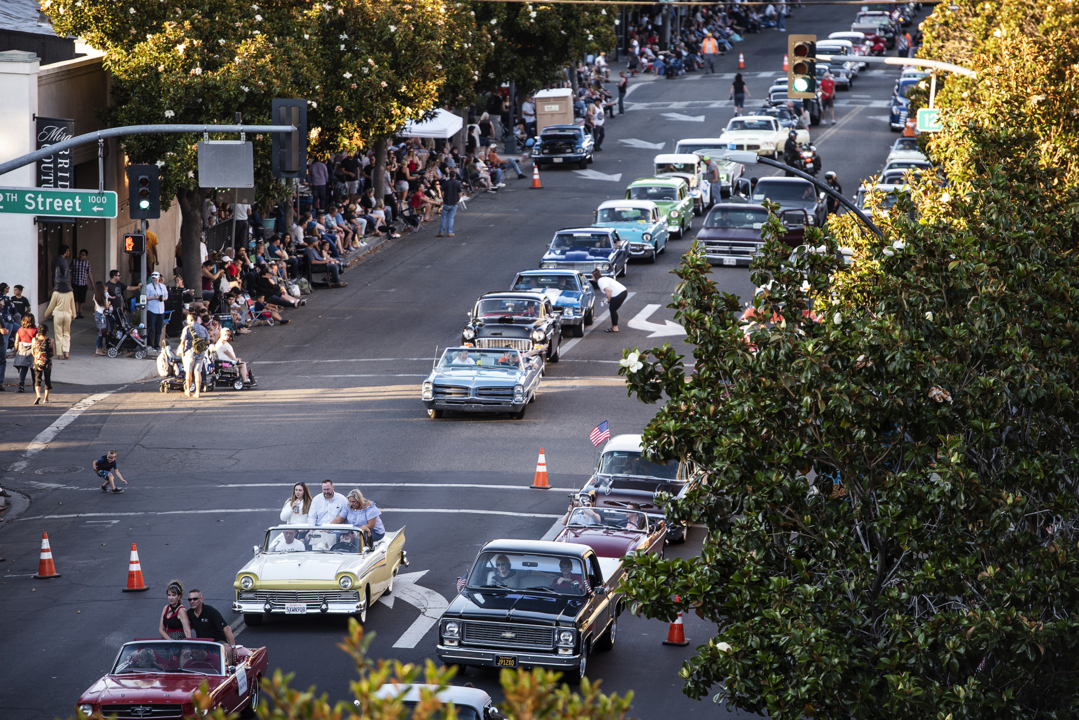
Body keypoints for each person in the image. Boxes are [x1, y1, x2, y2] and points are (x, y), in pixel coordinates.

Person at [186, 589, 237, 663]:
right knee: (185, 654)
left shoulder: (211, 611)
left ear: (201, 599)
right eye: (190, 599)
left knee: (228, 650)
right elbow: (188, 627)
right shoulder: (189, 613)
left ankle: (228, 671)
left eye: (195, 599)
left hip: (217, 642)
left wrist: (233, 647)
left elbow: (226, 628)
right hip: (202, 643)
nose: (192, 601)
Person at [179, 311, 209, 398]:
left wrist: (182, 352)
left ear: (191, 319)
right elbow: (208, 341)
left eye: (187, 319)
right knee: (198, 372)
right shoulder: (203, 328)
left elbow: (182, 342)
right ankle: (198, 392)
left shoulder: (187, 328)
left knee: (188, 372)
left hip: (189, 353)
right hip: (200, 353)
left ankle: (188, 390)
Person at [592, 269, 628, 333]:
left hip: (619, 293)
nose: (592, 278)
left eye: (592, 276)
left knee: (612, 309)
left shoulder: (600, 281)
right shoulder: (603, 279)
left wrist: (609, 300)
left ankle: (615, 328)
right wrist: (605, 298)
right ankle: (614, 326)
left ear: (595, 277)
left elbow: (608, 290)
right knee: (612, 309)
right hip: (622, 291)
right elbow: (608, 290)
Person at [12, 314, 37, 393]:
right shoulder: (35, 330)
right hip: (32, 350)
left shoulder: (20, 330)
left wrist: (15, 351)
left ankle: (21, 385)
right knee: (33, 369)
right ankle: (35, 385)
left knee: (23, 369)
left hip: (23, 350)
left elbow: (16, 342)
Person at [31, 324, 54, 405]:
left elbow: (33, 352)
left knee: (37, 379)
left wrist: (37, 357)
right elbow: (53, 353)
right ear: (47, 332)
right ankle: (46, 398)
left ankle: (38, 395)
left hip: (37, 362)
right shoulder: (50, 340)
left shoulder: (34, 340)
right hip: (47, 362)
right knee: (47, 379)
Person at [145, 272, 168, 350]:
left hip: (161, 310)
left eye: (156, 278)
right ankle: (150, 345)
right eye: (153, 278)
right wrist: (154, 297)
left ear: (159, 278)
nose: (155, 279)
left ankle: (157, 345)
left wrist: (162, 298)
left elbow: (166, 297)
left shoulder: (163, 286)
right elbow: (145, 297)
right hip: (152, 310)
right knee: (151, 328)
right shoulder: (148, 287)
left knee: (159, 329)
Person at [72, 248, 93, 319]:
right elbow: (70, 270)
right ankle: (76, 312)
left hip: (83, 283)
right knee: (76, 299)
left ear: (86, 256)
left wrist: (92, 283)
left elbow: (89, 273)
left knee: (82, 299)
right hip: (75, 283)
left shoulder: (87, 263)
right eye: (81, 254)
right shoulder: (74, 261)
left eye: (83, 255)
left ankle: (80, 312)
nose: (81, 256)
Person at [93, 282, 110, 356]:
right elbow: (106, 306)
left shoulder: (95, 295)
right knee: (101, 332)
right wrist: (109, 302)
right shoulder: (103, 296)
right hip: (101, 315)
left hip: (97, 314)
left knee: (101, 332)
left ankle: (100, 347)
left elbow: (95, 306)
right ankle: (98, 349)